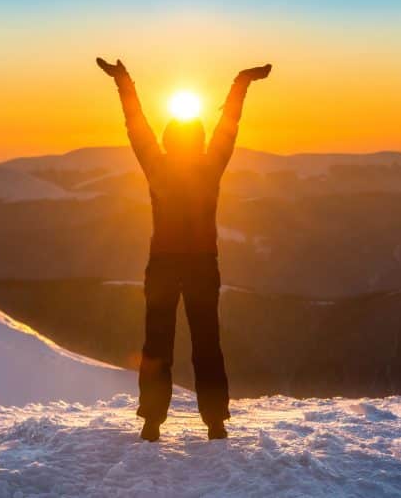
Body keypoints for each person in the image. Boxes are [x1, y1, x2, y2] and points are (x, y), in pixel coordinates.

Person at [97, 57, 271, 441]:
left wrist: (124, 80)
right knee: (207, 341)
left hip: (162, 265)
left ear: (167, 140)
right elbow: (230, 125)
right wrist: (241, 82)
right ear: (199, 140)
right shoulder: (210, 167)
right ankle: (215, 422)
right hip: (202, 266)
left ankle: (152, 422)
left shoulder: (156, 165)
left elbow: (135, 125)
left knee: (157, 341)